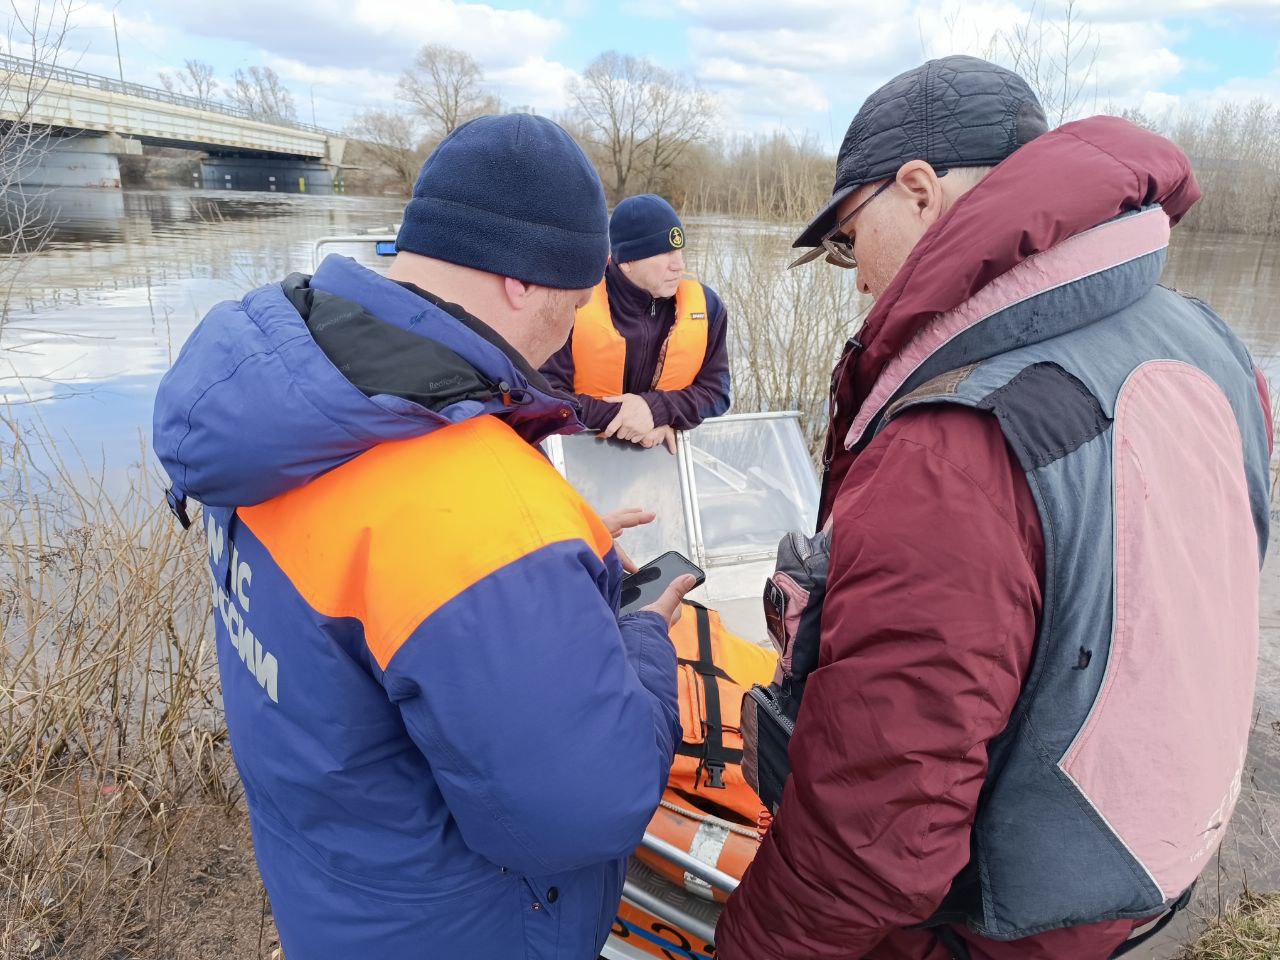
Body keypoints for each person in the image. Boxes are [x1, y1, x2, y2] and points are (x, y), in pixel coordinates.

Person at [717, 55, 1272, 960]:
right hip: (1148, 875)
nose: (856, 280)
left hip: (1003, 927)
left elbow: (873, 838)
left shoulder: (953, 443)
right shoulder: (1211, 343)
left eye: (852, 241)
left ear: (920, 190)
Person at [152, 114, 692, 960]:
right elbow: (588, 805)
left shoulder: (288, 407)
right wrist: (641, 634)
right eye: (578, 299)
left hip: (334, 897)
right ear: (522, 281)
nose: (572, 330)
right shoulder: (470, 503)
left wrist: (559, 563)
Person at [541, 194, 731, 453]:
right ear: (627, 262)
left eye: (679, 250)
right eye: (664, 253)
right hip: (578, 458)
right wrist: (630, 417)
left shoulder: (709, 307)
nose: (679, 265)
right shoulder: (573, 303)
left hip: (662, 465)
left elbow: (716, 394)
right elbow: (547, 396)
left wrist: (656, 410)